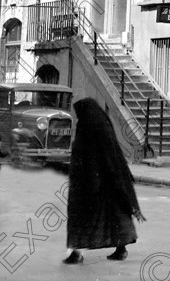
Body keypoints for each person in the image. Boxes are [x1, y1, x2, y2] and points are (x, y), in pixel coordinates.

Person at [64, 98, 146, 264]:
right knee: (115, 215)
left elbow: (83, 156)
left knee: (79, 217)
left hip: (90, 183)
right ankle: (121, 249)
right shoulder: (102, 124)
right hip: (108, 180)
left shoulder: (87, 126)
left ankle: (76, 252)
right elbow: (110, 155)